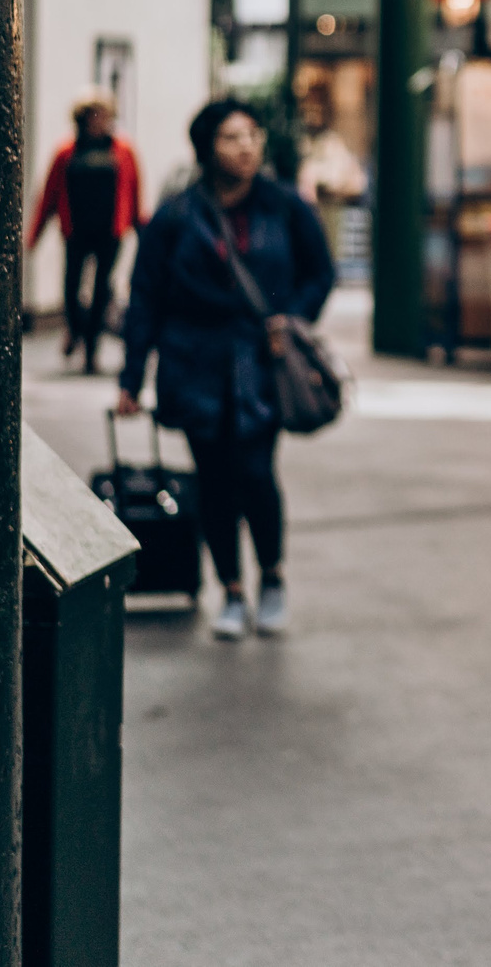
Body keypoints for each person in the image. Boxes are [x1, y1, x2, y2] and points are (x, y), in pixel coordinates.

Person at [117, 99, 336, 640]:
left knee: (257, 472)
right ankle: (232, 590)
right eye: (232, 138)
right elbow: (145, 296)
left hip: (260, 359)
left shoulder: (285, 206)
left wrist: (295, 316)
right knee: (212, 479)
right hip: (193, 359)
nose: (247, 147)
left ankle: (273, 578)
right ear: (206, 148)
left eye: (253, 136)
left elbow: (320, 272)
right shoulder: (176, 214)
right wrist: (131, 376)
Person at [31, 89, 144, 373]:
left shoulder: (123, 151)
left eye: (102, 115)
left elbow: (134, 192)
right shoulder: (66, 152)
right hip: (76, 230)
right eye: (92, 116)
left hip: (110, 230)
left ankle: (91, 347)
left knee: (102, 289)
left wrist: (144, 232)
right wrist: (33, 236)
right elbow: (49, 195)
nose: (97, 121)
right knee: (71, 286)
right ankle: (76, 329)